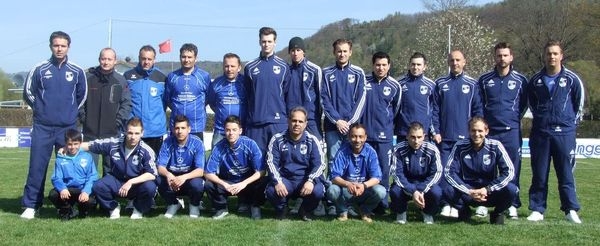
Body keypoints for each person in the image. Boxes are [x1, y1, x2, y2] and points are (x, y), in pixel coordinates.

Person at [21, 31, 88, 219]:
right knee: (37, 166)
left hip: (67, 128)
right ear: (50, 46)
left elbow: (82, 97)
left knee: (68, 168)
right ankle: (32, 205)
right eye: (56, 45)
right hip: (42, 126)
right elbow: (28, 93)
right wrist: (42, 109)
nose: (59, 48)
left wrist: (70, 113)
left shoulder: (76, 71)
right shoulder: (40, 68)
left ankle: (67, 205)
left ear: (68, 47)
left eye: (63, 45)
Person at [526, 40, 584, 224]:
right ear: (544, 56)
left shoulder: (573, 79)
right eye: (548, 53)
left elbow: (578, 105)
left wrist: (567, 125)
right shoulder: (535, 80)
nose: (551, 56)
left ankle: (570, 210)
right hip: (541, 133)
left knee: (566, 173)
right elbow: (532, 105)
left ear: (561, 56)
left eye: (555, 53)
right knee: (539, 173)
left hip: (564, 133)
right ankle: (537, 209)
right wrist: (544, 121)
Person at [478, 42, 528, 219]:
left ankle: (512, 203)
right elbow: (479, 105)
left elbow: (523, 106)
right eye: (499, 55)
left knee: (512, 169)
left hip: (511, 132)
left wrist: (512, 120)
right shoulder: (484, 80)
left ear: (511, 57)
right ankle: (484, 202)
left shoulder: (521, 80)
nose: (502, 58)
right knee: (487, 168)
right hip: (490, 132)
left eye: (505, 55)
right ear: (495, 57)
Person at [432, 49, 483, 217]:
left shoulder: (472, 84)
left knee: (464, 174)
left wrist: (475, 135)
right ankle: (447, 204)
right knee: (446, 174)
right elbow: (434, 111)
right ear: (448, 62)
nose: (455, 63)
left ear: (464, 62)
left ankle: (462, 205)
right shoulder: (440, 83)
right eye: (452, 60)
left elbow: (477, 112)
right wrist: (436, 131)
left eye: (458, 60)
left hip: (466, 141)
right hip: (445, 139)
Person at [444, 117, 516, 225]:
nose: (476, 134)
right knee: (447, 190)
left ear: (486, 131)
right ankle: (464, 211)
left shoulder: (495, 146)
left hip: (488, 193)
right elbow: (449, 172)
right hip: (468, 192)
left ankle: (497, 213)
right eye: (473, 130)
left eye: (480, 131)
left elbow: (509, 171)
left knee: (512, 190)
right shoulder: (460, 146)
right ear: (469, 131)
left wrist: (488, 189)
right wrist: (469, 191)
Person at [87, 117, 158, 219]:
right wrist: (70, 147)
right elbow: (92, 145)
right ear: (125, 131)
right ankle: (113, 207)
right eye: (130, 133)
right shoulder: (115, 143)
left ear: (142, 133)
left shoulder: (146, 150)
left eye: (137, 133)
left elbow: (152, 174)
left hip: (137, 184)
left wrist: (131, 182)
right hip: (117, 181)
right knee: (98, 186)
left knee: (150, 187)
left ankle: (138, 209)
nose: (133, 137)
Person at [265, 107, 326, 221]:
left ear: (305, 124)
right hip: (286, 180)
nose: (297, 124)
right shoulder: (277, 139)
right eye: (294, 120)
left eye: (300, 121)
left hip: (305, 180)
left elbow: (320, 164)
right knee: (271, 190)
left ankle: (304, 209)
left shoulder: (312, 140)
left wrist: (310, 181)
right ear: (288, 121)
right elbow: (271, 163)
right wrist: (278, 182)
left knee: (318, 190)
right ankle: (282, 208)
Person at [360, 51, 401, 213]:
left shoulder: (395, 86)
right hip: (365, 137)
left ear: (389, 66)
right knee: (365, 171)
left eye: (384, 65)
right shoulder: (364, 82)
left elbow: (396, 110)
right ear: (373, 65)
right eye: (378, 65)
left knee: (384, 171)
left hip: (384, 137)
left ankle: (382, 204)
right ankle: (364, 202)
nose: (381, 68)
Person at [81, 47, 132, 176]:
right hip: (90, 134)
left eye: (109, 59)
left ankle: (106, 195)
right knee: (87, 168)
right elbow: (79, 101)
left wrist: (117, 122)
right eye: (103, 59)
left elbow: (126, 104)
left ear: (115, 61)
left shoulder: (120, 80)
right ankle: (88, 195)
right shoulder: (88, 78)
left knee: (110, 169)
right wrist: (84, 119)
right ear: (99, 59)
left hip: (112, 134)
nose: (106, 62)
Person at [205, 115, 266, 220]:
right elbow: (207, 173)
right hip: (228, 183)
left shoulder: (250, 144)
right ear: (224, 131)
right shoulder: (219, 147)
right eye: (228, 130)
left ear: (240, 131)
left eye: (234, 130)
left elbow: (261, 171)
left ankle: (254, 206)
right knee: (209, 184)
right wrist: (224, 184)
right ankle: (221, 208)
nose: (231, 133)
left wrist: (244, 183)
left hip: (246, 182)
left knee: (264, 181)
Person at [326, 123, 386, 223]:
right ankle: (343, 211)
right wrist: (348, 184)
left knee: (381, 191)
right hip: (346, 190)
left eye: (360, 137)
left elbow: (377, 177)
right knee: (332, 190)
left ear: (365, 137)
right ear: (349, 137)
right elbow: (334, 176)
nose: (357, 140)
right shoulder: (342, 152)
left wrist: (363, 185)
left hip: (363, 191)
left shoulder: (371, 152)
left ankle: (364, 210)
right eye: (354, 136)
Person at [244, 27, 290, 157]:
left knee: (278, 160)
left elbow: (287, 95)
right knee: (256, 162)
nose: (266, 45)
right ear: (259, 42)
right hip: (256, 124)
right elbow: (248, 95)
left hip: (278, 123)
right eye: (264, 41)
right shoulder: (250, 67)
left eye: (269, 41)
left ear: (275, 42)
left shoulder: (283, 66)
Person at [321, 39, 367, 170]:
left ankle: (350, 189)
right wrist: (337, 121)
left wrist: (349, 122)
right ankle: (332, 190)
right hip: (332, 127)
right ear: (334, 52)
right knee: (333, 161)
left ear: (350, 52)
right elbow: (324, 99)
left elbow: (361, 100)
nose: (342, 54)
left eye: (345, 51)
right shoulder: (326, 73)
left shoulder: (358, 73)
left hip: (352, 127)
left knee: (353, 160)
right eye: (339, 51)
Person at [389, 122, 442, 224]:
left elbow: (436, 173)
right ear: (407, 136)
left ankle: (427, 213)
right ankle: (401, 213)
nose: (416, 141)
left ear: (424, 136)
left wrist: (422, 189)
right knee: (395, 190)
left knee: (437, 192)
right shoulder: (398, 149)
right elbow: (396, 174)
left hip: (424, 183)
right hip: (407, 184)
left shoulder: (432, 150)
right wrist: (413, 190)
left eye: (419, 137)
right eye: (413, 137)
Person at [156, 115, 205, 219]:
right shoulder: (167, 142)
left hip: (189, 179)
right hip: (173, 179)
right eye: (177, 128)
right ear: (173, 129)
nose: (180, 131)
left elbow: (200, 171)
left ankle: (194, 205)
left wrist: (183, 177)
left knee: (198, 184)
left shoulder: (197, 143)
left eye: (183, 128)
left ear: (189, 129)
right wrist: (169, 175)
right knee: (158, 179)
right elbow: (160, 167)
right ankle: (173, 204)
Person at [124, 45, 168, 154]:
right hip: (134, 131)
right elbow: (124, 101)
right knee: (132, 166)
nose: (146, 62)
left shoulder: (162, 77)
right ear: (139, 58)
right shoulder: (128, 76)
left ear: (154, 60)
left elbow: (165, 102)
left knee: (153, 166)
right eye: (144, 59)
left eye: (149, 59)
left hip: (155, 131)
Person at [48, 129, 98, 220]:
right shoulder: (60, 158)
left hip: (81, 189)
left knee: (91, 201)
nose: (72, 147)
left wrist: (86, 191)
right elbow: (56, 177)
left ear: (80, 143)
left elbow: (92, 176)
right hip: (67, 190)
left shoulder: (87, 157)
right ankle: (67, 210)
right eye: (70, 144)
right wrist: (62, 188)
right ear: (66, 144)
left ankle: (82, 211)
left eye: (75, 144)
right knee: (53, 194)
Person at [165, 43, 211, 140]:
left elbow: (208, 99)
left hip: (196, 126)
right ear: (180, 57)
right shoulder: (172, 76)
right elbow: (168, 99)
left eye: (189, 57)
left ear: (196, 58)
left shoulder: (204, 76)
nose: (186, 60)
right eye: (183, 57)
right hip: (177, 127)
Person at [286, 36, 323, 140]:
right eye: (292, 50)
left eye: (298, 50)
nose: (295, 53)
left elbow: (321, 96)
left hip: (311, 120)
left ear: (304, 52)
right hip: (292, 120)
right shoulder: (286, 71)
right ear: (289, 53)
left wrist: (319, 117)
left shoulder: (314, 70)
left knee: (316, 150)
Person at [207, 53, 247, 147]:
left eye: (232, 66)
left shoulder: (246, 83)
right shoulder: (216, 84)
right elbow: (212, 103)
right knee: (216, 160)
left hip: (241, 131)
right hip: (220, 131)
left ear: (239, 67)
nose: (229, 69)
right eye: (226, 66)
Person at [395, 52, 436, 140]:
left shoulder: (431, 85)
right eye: (413, 64)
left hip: (423, 132)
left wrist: (434, 130)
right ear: (409, 65)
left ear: (424, 67)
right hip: (404, 132)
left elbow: (434, 109)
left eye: (418, 64)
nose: (415, 67)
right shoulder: (399, 84)